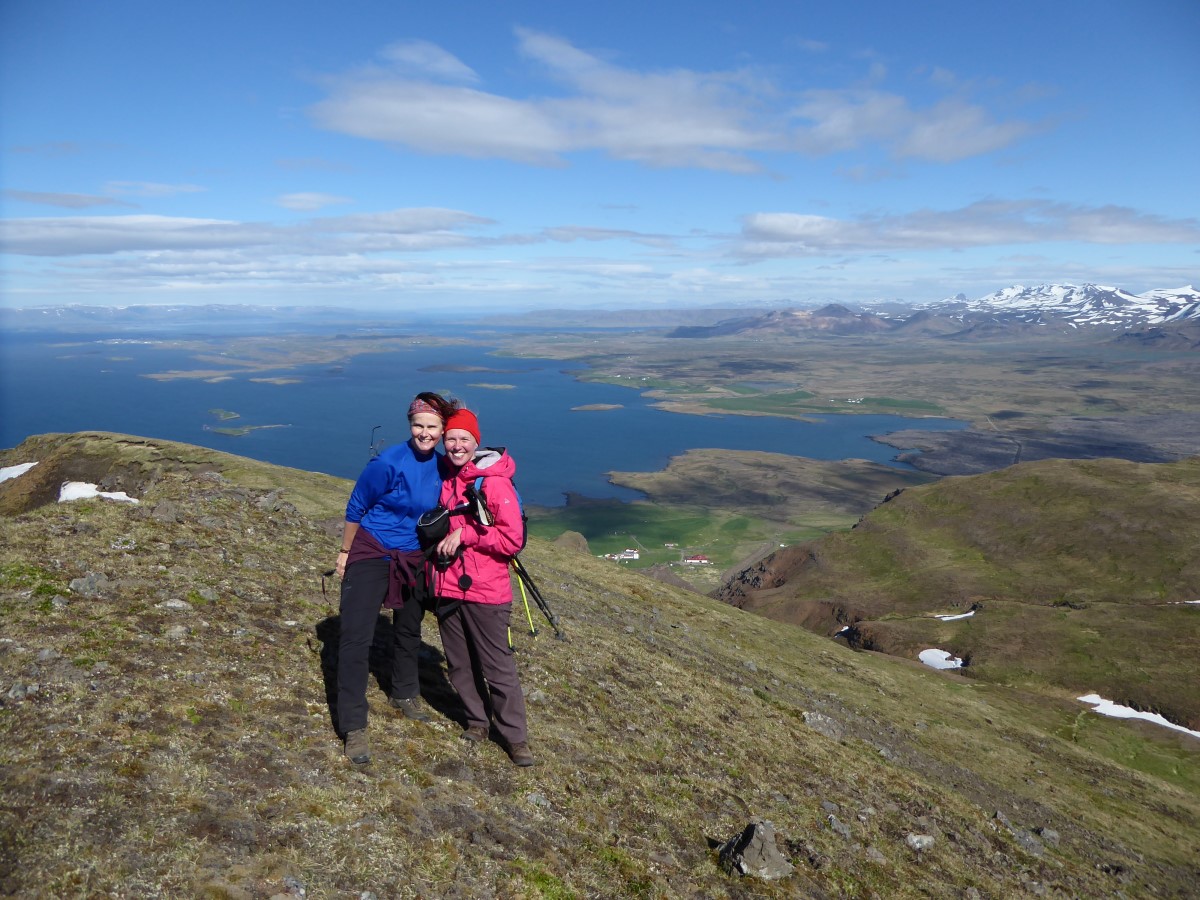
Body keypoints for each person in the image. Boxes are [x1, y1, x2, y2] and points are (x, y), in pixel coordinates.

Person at [334, 391, 457, 764]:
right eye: (418, 425)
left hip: (414, 555)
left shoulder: (443, 467)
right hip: (373, 549)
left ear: (442, 430)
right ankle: (353, 726)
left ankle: (404, 693)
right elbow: (357, 505)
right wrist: (345, 553)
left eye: (432, 427)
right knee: (355, 637)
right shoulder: (388, 462)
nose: (424, 433)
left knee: (409, 628)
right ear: (410, 425)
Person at [432, 407, 536, 767]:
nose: (457, 445)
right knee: (459, 663)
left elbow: (512, 540)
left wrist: (467, 534)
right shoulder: (448, 476)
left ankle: (516, 739)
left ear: (476, 442)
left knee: (497, 668)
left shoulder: (493, 482)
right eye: (451, 439)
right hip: (448, 584)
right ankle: (477, 722)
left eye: (464, 439)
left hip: (487, 591)